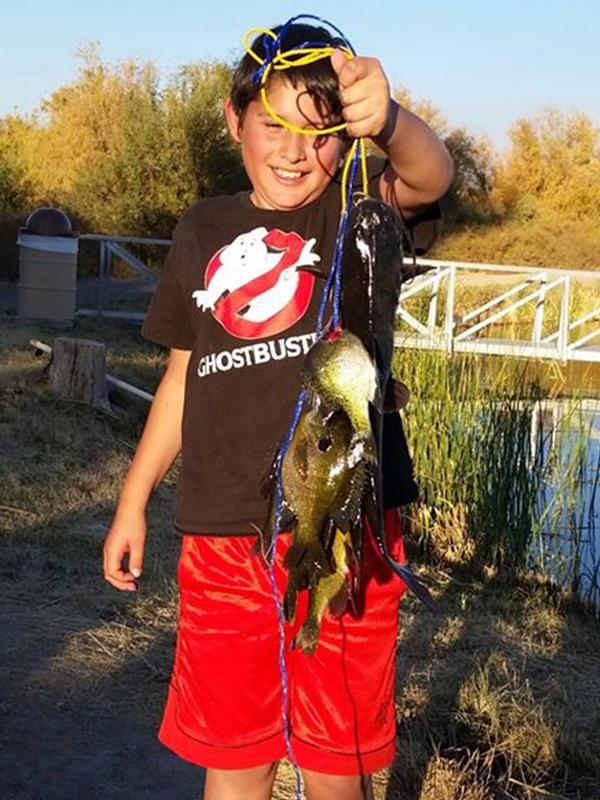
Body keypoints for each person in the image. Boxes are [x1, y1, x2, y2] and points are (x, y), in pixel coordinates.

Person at [103, 20, 453, 800]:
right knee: (235, 754)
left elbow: (430, 177)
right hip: (223, 533)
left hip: (346, 530)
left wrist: (388, 121)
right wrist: (133, 503)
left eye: (322, 131)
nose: (297, 151)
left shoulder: (357, 215)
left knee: (339, 760)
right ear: (234, 121)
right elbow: (180, 379)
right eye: (276, 125)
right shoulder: (204, 228)